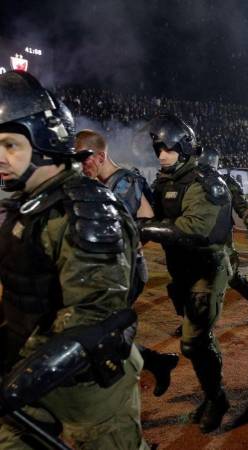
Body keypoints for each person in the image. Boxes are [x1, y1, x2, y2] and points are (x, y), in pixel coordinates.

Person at [0, 71, 146, 448]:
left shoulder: (85, 207)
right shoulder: (29, 203)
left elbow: (97, 316)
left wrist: (19, 383)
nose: (0, 157)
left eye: (10, 144)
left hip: (88, 392)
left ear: (45, 141)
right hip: (31, 368)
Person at [139, 114, 233, 433]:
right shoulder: (164, 181)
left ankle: (217, 398)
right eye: (158, 148)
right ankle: (212, 391)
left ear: (185, 148)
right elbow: (145, 210)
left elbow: (194, 229)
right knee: (200, 339)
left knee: (192, 342)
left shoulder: (205, 182)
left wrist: (145, 229)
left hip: (209, 268)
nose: (161, 154)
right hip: (182, 271)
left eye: (168, 147)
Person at [75, 129, 179, 396]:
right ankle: (155, 362)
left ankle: (124, 389)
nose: (79, 166)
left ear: (100, 156)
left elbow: (142, 222)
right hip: (114, 268)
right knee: (99, 331)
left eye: (83, 159)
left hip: (126, 270)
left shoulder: (123, 183)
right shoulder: (105, 182)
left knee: (107, 333)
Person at [197, 147, 248, 322]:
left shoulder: (225, 182)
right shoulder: (192, 181)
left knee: (232, 275)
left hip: (221, 238)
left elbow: (243, 206)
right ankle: (193, 321)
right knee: (197, 281)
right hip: (198, 237)